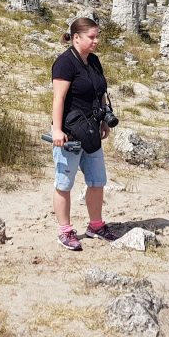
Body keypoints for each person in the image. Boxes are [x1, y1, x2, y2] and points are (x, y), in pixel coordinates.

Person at [50, 17, 117, 250]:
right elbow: (58, 98)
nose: (96, 41)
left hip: (92, 130)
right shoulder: (64, 63)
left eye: (97, 36)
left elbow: (99, 93)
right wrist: (57, 130)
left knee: (97, 181)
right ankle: (65, 231)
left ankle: (96, 225)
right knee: (64, 183)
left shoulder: (95, 61)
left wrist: (104, 120)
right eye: (92, 37)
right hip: (70, 132)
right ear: (76, 37)